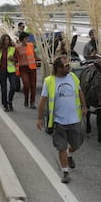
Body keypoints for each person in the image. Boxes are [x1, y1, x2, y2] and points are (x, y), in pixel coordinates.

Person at [37, 55, 87, 183]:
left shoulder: (73, 77)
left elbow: (80, 92)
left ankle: (70, 154)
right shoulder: (49, 81)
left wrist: (84, 106)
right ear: (58, 68)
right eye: (66, 66)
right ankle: (65, 172)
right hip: (59, 122)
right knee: (61, 147)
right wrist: (39, 118)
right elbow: (43, 101)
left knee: (76, 144)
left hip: (75, 119)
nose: (69, 67)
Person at [15, 31, 39, 109]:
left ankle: (32, 102)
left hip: (32, 67)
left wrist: (41, 59)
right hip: (23, 68)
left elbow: (35, 56)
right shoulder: (17, 47)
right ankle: (26, 98)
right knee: (26, 84)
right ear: (22, 39)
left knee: (33, 85)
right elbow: (15, 57)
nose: (27, 40)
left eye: (28, 38)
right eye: (25, 38)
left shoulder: (31, 45)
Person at [0, 34, 17, 112]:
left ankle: (9, 101)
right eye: (5, 40)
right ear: (2, 41)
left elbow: (17, 59)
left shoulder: (12, 49)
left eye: (8, 40)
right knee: (4, 89)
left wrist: (12, 59)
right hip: (2, 70)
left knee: (13, 86)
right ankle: (5, 105)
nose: (7, 41)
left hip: (11, 70)